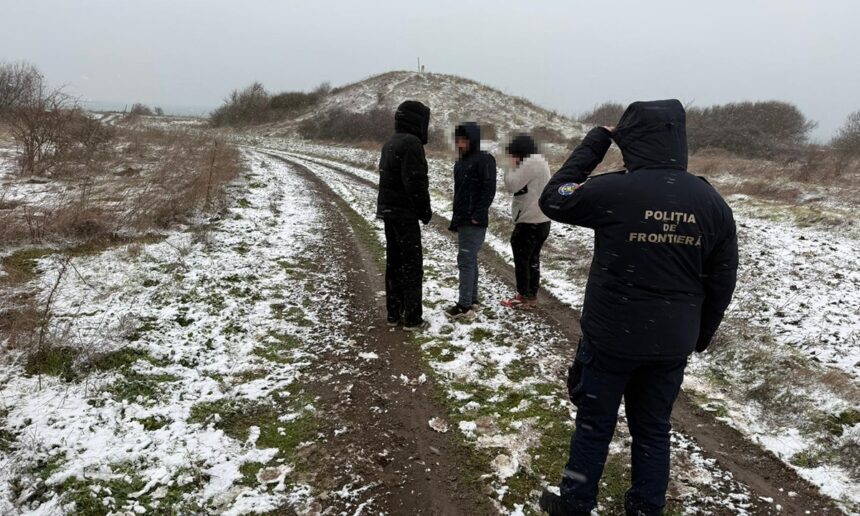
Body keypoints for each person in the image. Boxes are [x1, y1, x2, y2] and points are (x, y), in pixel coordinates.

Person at [537, 100, 738, 516]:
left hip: (611, 337)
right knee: (653, 430)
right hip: (671, 344)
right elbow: (722, 281)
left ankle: (575, 504)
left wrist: (596, 143)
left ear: (630, 141)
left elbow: (553, 198)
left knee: (594, 426)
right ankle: (646, 508)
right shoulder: (711, 202)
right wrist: (700, 335)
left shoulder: (615, 191)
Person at [376, 100, 433, 331]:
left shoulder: (391, 142)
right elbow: (415, 182)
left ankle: (393, 312)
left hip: (389, 211)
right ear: (418, 122)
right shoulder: (411, 143)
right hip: (404, 214)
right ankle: (412, 318)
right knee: (411, 265)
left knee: (395, 263)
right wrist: (425, 211)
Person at [446, 122, 497, 321]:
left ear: (473, 140)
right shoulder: (460, 162)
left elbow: (488, 189)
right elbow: (459, 194)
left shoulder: (484, 160)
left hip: (474, 220)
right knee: (470, 259)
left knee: (466, 260)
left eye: (464, 140)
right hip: (463, 219)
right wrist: (455, 219)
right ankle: (472, 299)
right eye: (457, 140)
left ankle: (464, 306)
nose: (460, 143)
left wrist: (477, 213)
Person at [500, 133, 552, 309]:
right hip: (542, 219)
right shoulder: (540, 161)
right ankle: (531, 295)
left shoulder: (531, 163)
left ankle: (523, 297)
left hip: (530, 220)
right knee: (532, 258)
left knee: (522, 258)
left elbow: (511, 185)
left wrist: (509, 167)